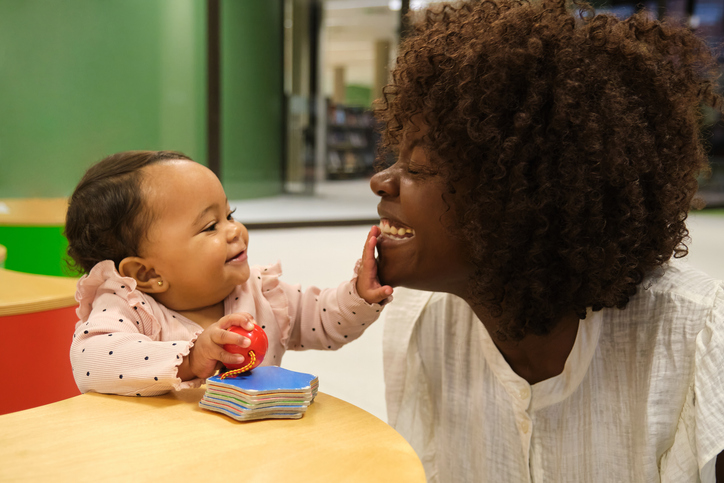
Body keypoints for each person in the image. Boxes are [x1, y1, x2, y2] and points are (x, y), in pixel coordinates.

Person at [370, 1, 724, 481]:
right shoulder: (421, 326)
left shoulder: (696, 340)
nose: (381, 182)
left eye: (416, 166)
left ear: (514, 195)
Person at [66, 150, 392, 396]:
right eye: (210, 226)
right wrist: (191, 358)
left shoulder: (261, 293)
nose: (234, 230)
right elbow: (90, 360)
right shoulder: (130, 307)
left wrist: (360, 294)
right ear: (147, 273)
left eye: (229, 214)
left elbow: (325, 321)